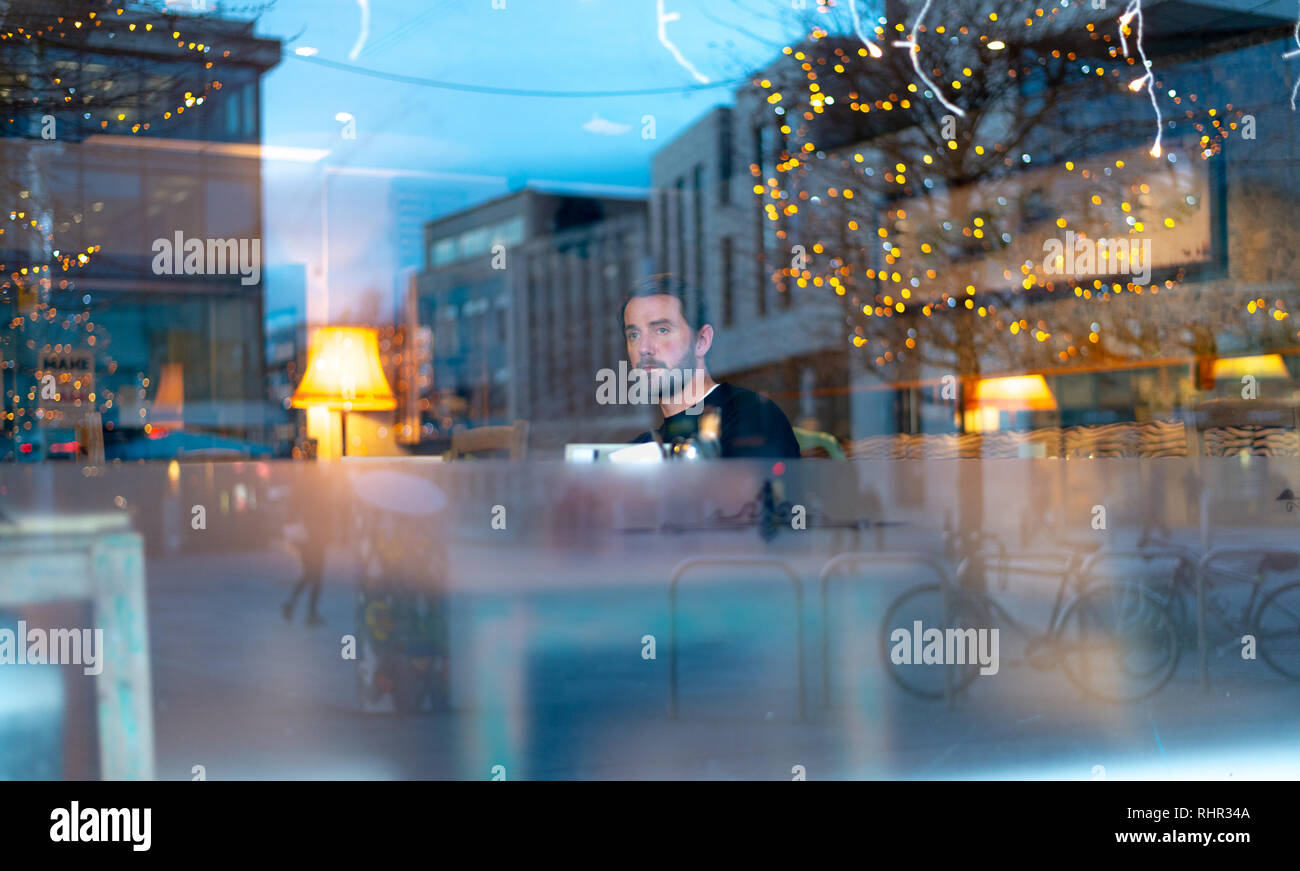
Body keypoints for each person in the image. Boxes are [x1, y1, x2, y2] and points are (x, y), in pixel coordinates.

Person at [620, 274, 800, 458]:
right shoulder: (642, 448)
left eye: (662, 330)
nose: (643, 348)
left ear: (702, 341)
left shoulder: (752, 419)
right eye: (634, 335)